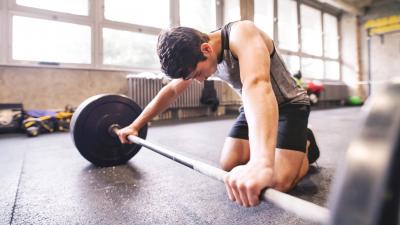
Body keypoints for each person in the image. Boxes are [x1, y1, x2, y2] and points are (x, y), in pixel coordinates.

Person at [117, 20, 320, 208]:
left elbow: (257, 84)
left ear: (206, 48)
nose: (199, 80)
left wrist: (261, 164)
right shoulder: (196, 54)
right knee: (230, 165)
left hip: (289, 104)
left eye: (197, 74)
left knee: (277, 182)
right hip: (253, 107)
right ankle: (280, 144)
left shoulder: (243, 34)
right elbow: (171, 91)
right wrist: (136, 124)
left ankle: (305, 143)